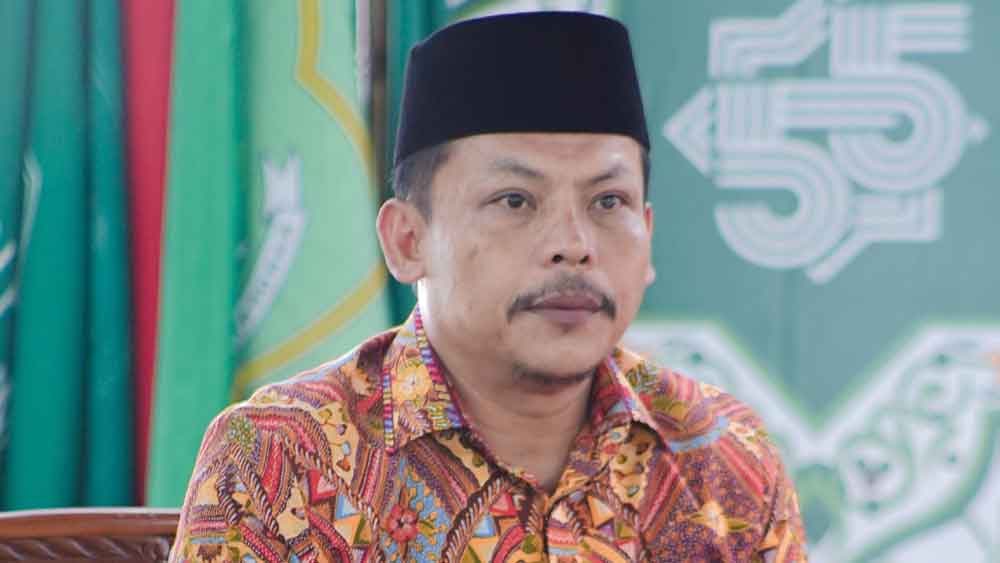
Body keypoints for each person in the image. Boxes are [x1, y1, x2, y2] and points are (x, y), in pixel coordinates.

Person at [170, 11, 807, 563]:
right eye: (515, 200)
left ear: (648, 236)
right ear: (407, 241)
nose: (573, 244)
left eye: (608, 201)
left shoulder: (722, 456)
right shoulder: (282, 457)